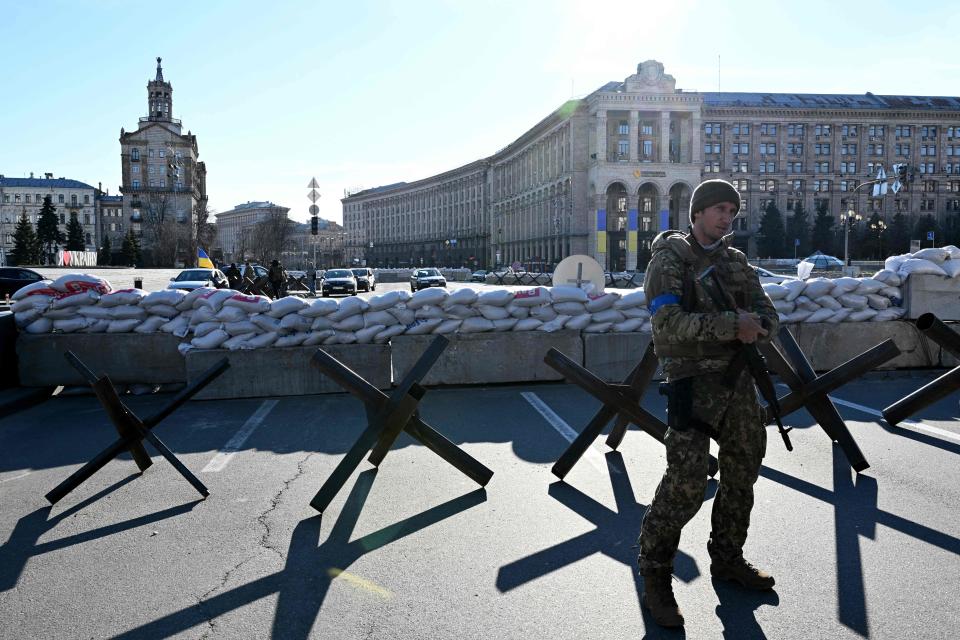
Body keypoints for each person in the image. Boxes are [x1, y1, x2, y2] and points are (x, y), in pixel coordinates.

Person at [637, 179, 779, 628]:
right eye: (719, 209)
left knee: (743, 469)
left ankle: (728, 558)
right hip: (692, 382)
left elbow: (769, 317)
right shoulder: (670, 259)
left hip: (737, 382)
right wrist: (729, 326)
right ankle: (656, 574)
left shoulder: (736, 262)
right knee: (687, 482)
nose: (726, 218)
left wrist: (754, 326)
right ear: (697, 212)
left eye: (732, 212)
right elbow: (667, 321)